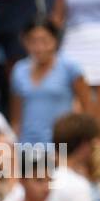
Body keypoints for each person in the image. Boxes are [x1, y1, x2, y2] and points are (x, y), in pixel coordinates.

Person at [10, 19, 90, 148]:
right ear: (25, 42)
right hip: (26, 148)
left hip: (61, 147)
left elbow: (87, 107)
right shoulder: (19, 70)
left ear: (55, 40)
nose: (39, 48)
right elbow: (16, 118)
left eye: (45, 41)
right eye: (33, 41)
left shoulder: (69, 67)